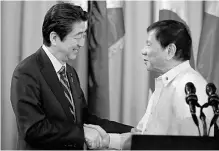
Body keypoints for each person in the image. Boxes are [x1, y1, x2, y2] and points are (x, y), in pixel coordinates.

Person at [85, 20, 219, 150]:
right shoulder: (168, 83)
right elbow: (144, 138)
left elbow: (193, 147)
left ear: (170, 51)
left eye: (148, 44)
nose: (143, 51)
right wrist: (108, 140)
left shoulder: (190, 87)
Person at [10, 2, 133, 150]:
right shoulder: (26, 72)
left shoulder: (70, 72)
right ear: (54, 38)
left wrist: (131, 131)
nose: (82, 43)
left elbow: (85, 119)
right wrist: (81, 134)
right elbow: (34, 130)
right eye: (77, 36)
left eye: (84, 35)